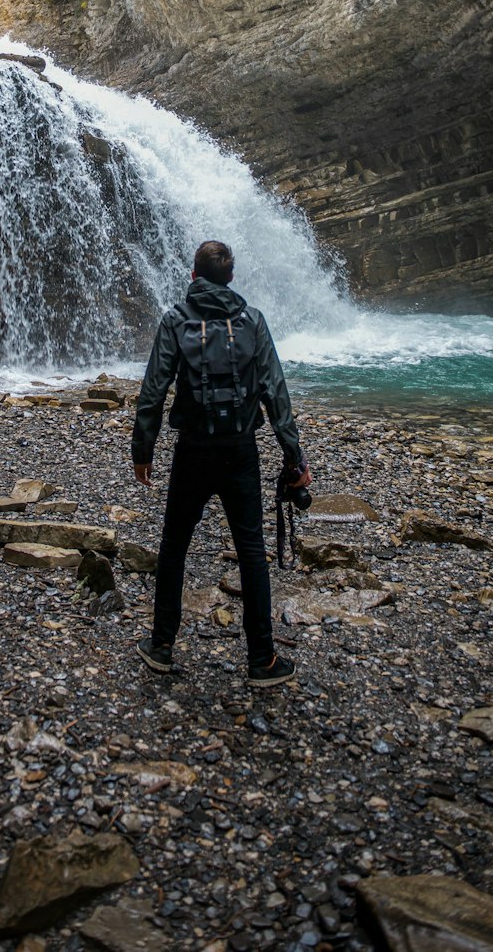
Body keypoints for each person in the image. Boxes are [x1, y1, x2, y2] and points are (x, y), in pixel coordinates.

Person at [131, 240, 312, 687]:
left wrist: (143, 450)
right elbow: (276, 394)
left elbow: (154, 390)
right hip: (240, 451)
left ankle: (161, 647)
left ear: (194, 276)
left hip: (192, 449)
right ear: (231, 279)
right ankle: (263, 660)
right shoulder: (252, 321)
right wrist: (295, 457)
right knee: (252, 552)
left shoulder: (176, 320)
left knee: (174, 546)